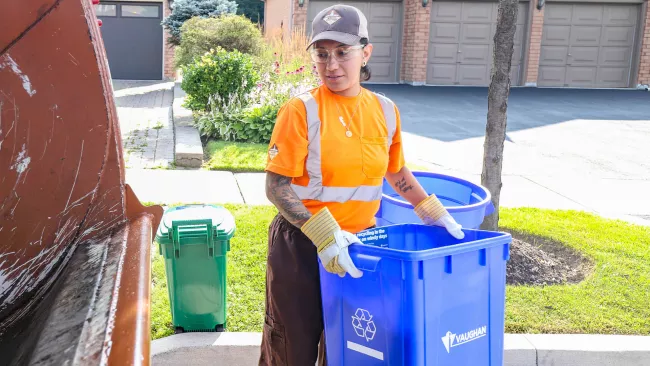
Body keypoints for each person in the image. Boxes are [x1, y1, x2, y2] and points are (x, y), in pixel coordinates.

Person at [258, 4, 464, 365]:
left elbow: (396, 172)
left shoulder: (384, 111)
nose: (331, 64)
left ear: (365, 52)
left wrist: (431, 210)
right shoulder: (301, 110)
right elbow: (276, 187)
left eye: (342, 52)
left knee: (351, 347)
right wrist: (323, 234)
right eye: (322, 55)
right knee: (292, 347)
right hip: (301, 246)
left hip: (361, 248)